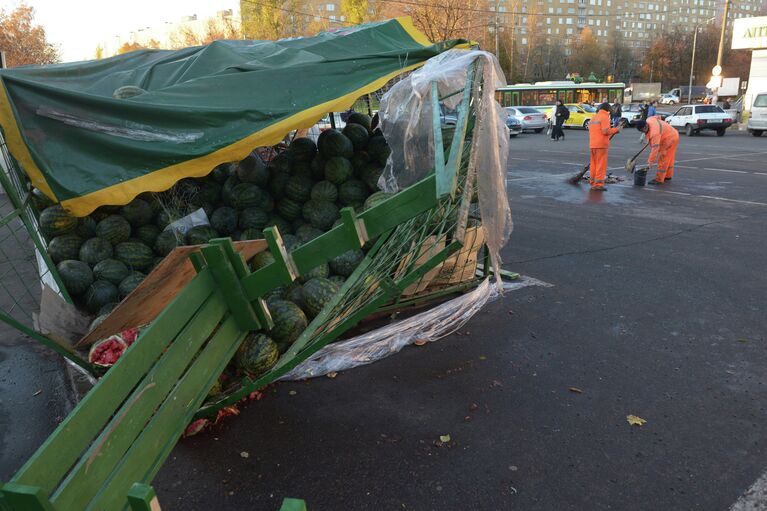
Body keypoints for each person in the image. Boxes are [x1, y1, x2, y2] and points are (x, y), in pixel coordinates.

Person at [634, 116, 679, 185]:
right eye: (641, 132)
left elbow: (655, 149)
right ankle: (668, 176)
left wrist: (650, 163)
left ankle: (659, 179)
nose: (643, 132)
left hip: (669, 140)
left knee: (663, 159)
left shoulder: (654, 134)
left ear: (646, 126)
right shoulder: (649, 119)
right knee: (669, 158)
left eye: (643, 131)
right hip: (674, 134)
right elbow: (659, 117)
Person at [588, 102, 621, 191]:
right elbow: (605, 131)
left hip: (593, 144)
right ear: (608, 109)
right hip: (601, 145)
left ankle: (593, 182)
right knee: (600, 165)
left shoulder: (594, 117)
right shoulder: (605, 117)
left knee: (594, 164)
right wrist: (616, 129)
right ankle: (598, 184)